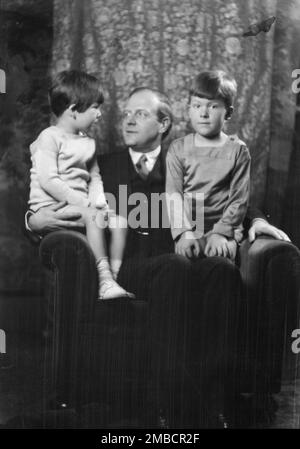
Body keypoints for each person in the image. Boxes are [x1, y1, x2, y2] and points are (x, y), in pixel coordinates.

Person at [27, 86, 292, 428]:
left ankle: (214, 402)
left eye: (141, 114)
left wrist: (257, 221)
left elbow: (226, 197)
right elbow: (49, 194)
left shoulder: (183, 160)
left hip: (181, 264)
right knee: (174, 266)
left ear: (164, 123)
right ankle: (176, 405)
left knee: (222, 270)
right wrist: (33, 219)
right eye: (126, 114)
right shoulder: (101, 164)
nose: (129, 120)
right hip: (128, 268)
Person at [28, 70, 133, 300]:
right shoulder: (49, 137)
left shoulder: (88, 142)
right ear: (74, 110)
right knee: (93, 217)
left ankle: (111, 279)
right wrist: (86, 205)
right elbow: (48, 180)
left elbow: (94, 177)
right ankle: (104, 278)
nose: (99, 114)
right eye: (95, 107)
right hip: (52, 207)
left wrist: (100, 204)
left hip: (82, 208)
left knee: (119, 221)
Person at [166, 70, 250, 262]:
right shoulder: (178, 148)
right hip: (189, 229)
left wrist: (221, 233)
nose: (203, 113)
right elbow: (173, 195)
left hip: (225, 232)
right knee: (182, 268)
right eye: (197, 106)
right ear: (189, 109)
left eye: (213, 107)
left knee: (220, 265)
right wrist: (183, 232)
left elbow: (239, 199)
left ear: (228, 112)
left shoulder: (238, 150)